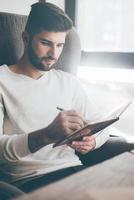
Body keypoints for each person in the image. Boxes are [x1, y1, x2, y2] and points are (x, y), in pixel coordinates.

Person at [0, 2, 109, 192]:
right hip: (29, 181)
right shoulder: (3, 81)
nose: (54, 54)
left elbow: (102, 125)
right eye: (45, 43)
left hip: (75, 171)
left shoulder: (68, 82)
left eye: (60, 45)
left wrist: (92, 142)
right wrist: (45, 135)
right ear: (26, 38)